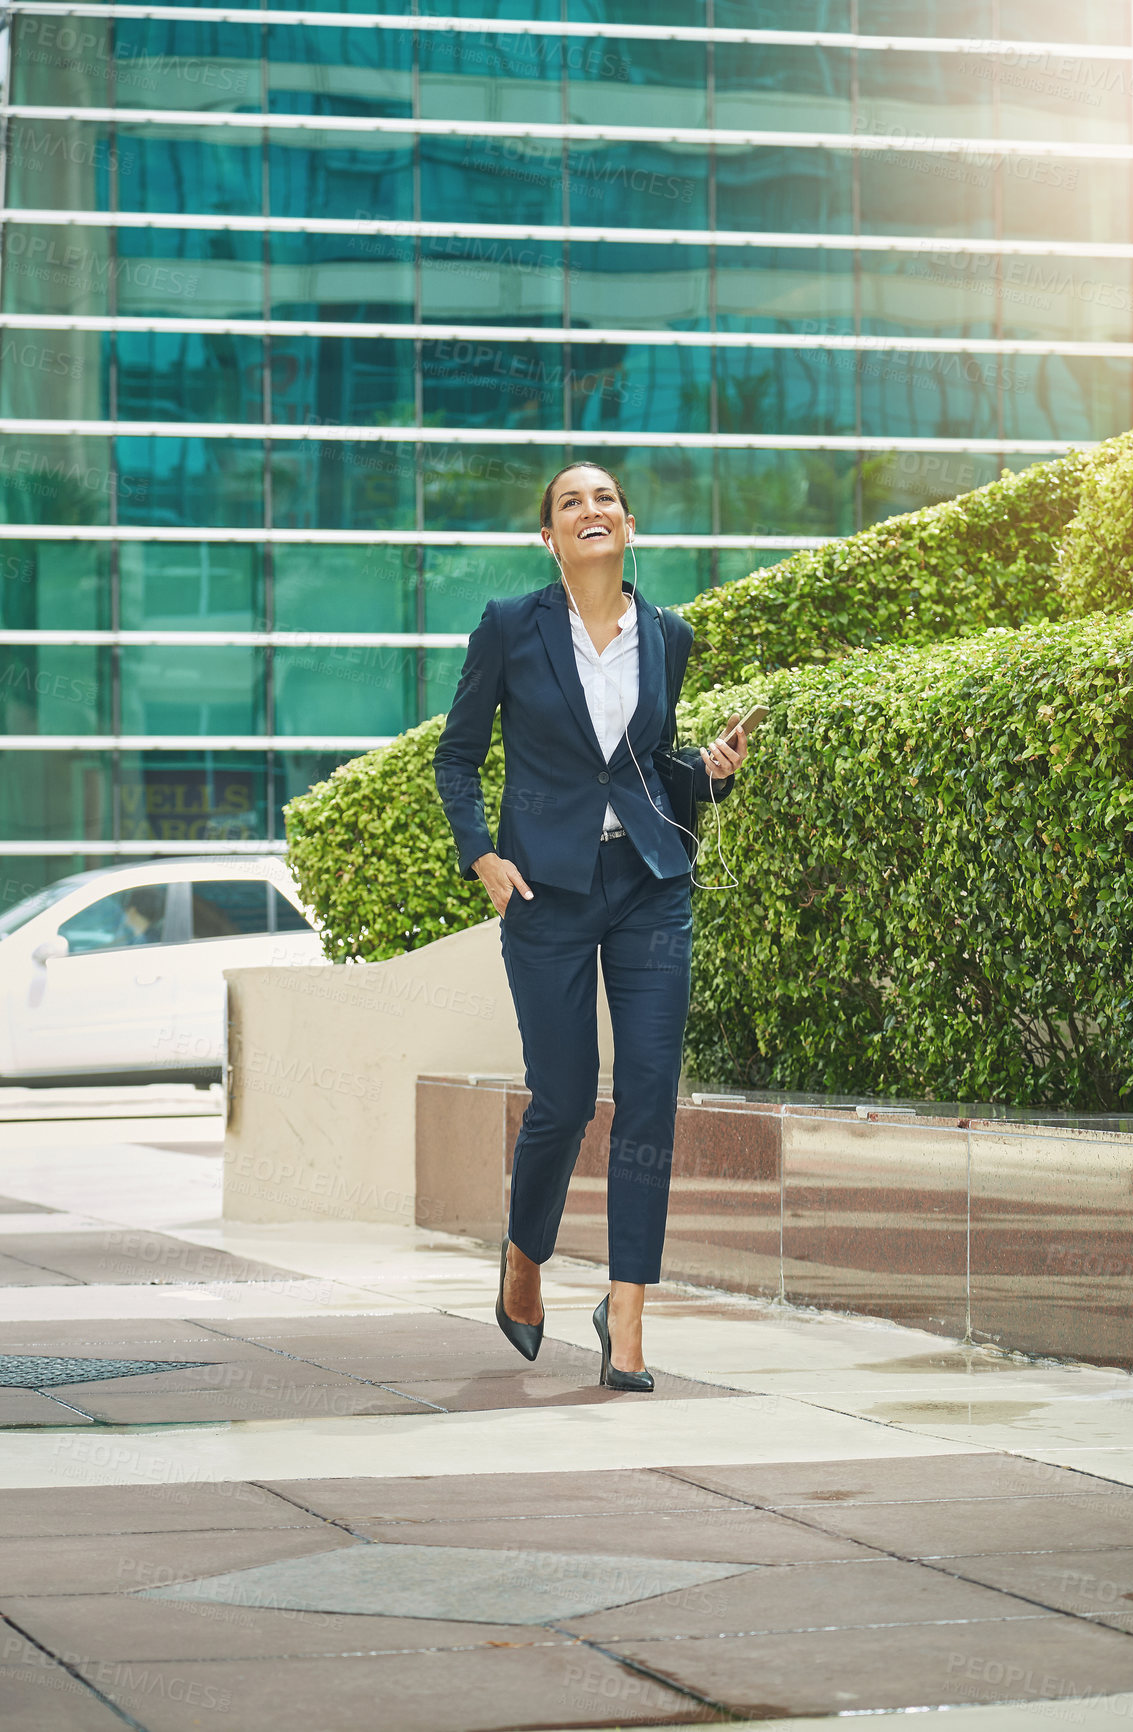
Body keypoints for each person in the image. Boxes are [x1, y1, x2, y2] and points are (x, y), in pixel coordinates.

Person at [434, 462, 747, 1390]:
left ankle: (630, 1314)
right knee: (563, 1100)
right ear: (549, 538)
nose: (590, 509)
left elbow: (649, 767)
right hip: (547, 893)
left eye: (604, 498)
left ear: (630, 524)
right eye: (570, 502)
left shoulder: (667, 633)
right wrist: (482, 855)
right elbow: (455, 759)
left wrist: (711, 768)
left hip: (652, 884)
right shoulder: (508, 628)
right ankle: (525, 1258)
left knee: (650, 1097)